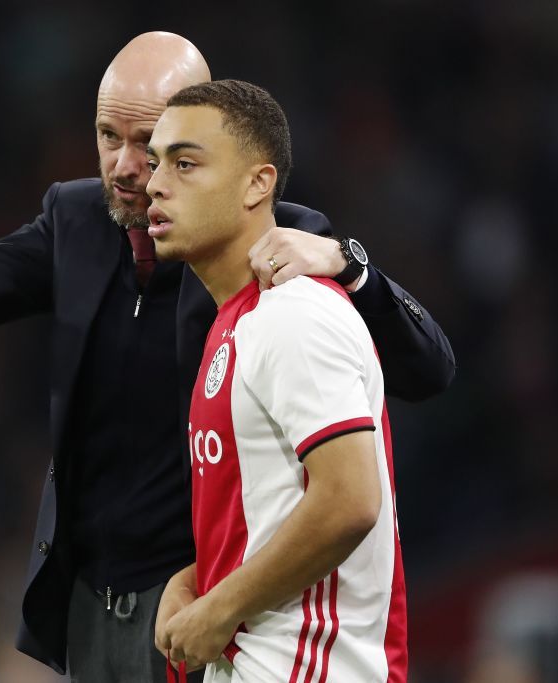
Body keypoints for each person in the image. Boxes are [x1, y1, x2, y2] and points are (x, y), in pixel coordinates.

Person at [0, 32, 451, 682]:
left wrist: (350, 264)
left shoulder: (267, 237)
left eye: (154, 145)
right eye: (108, 136)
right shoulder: (78, 218)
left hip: (205, 600)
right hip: (93, 600)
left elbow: (426, 370)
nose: (125, 165)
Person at [147, 79, 404, 681]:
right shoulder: (235, 325)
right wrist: (192, 581)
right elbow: (264, 515)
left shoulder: (294, 312)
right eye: (157, 163)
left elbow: (348, 502)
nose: (156, 183)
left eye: (185, 164)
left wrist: (220, 606)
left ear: (258, 184)